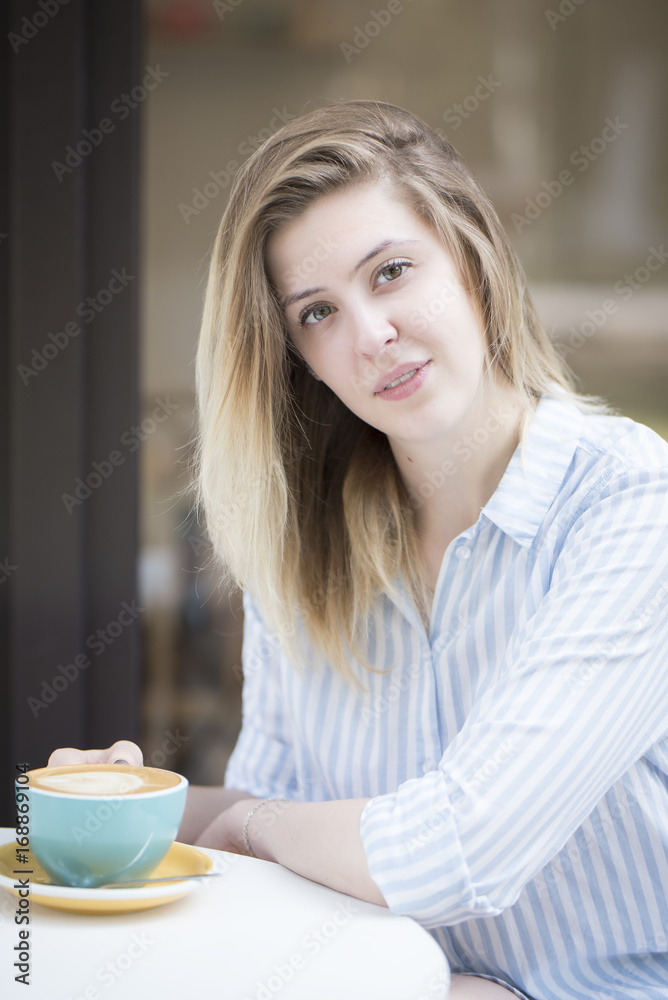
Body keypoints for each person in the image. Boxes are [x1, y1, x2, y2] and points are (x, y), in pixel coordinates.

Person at [49, 101, 668, 999]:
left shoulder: (631, 506)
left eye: (392, 271)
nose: (371, 336)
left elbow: (462, 848)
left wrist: (258, 825)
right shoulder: (306, 549)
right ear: (298, 358)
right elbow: (276, 841)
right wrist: (123, 799)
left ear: (473, 257)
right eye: (317, 313)